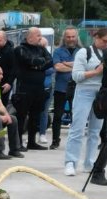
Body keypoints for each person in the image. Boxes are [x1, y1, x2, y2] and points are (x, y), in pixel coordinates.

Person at [64, 28, 107, 177]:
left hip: (101, 94)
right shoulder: (84, 52)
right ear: (97, 38)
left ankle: (90, 162)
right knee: (78, 128)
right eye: (104, 41)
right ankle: (70, 162)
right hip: (84, 91)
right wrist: (96, 72)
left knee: (95, 131)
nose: (106, 44)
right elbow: (76, 76)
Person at [12, 27, 53, 150]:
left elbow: (50, 61)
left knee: (36, 115)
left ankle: (32, 141)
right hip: (24, 87)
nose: (40, 38)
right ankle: (18, 142)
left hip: (38, 87)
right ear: (30, 37)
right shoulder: (20, 49)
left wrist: (37, 65)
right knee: (22, 115)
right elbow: (28, 60)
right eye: (38, 35)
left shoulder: (41, 49)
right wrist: (38, 64)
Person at [0, 64, 25, 159]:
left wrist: (6, 115)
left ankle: (14, 149)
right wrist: (0, 117)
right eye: (0, 74)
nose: (2, 76)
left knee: (13, 119)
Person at [51, 27, 80, 150]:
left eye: (73, 36)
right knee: (57, 116)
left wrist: (66, 63)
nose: (71, 39)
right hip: (61, 88)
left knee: (76, 116)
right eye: (68, 37)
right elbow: (57, 67)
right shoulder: (58, 51)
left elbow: (85, 68)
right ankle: (55, 141)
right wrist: (76, 66)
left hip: (78, 89)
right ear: (64, 38)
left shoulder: (82, 51)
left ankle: (74, 142)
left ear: (76, 37)